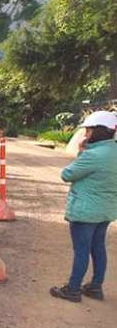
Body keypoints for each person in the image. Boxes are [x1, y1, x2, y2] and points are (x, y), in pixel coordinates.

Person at [50, 111, 117, 302]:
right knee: (98, 248)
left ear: (98, 131)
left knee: (81, 250)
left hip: (86, 211)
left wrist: (81, 152)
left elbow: (67, 174)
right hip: (106, 210)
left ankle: (72, 289)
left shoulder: (93, 155)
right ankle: (96, 287)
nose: (86, 134)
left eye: (88, 130)